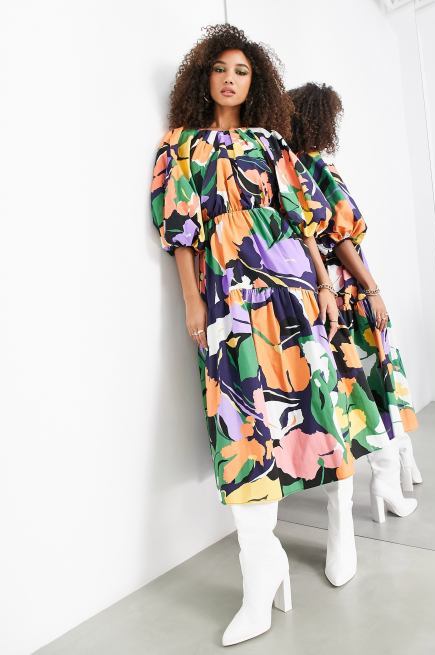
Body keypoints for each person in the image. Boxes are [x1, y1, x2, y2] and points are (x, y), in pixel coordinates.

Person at [150, 25, 389, 646]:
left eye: (242, 71)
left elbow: (304, 222)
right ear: (203, 76)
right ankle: (261, 571)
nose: (230, 79)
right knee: (242, 428)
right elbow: (180, 233)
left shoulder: (271, 143)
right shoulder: (179, 147)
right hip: (228, 298)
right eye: (220, 69)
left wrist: (326, 286)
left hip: (294, 288)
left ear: (256, 82)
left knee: (319, 405)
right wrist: (192, 302)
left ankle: (341, 521)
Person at [288, 82, 422, 523]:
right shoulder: (315, 166)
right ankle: (385, 483)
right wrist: (373, 289)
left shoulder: (291, 167)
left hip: (323, 286)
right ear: (322, 119)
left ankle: (388, 477)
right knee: (372, 381)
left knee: (356, 386)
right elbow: (342, 238)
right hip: (348, 286)